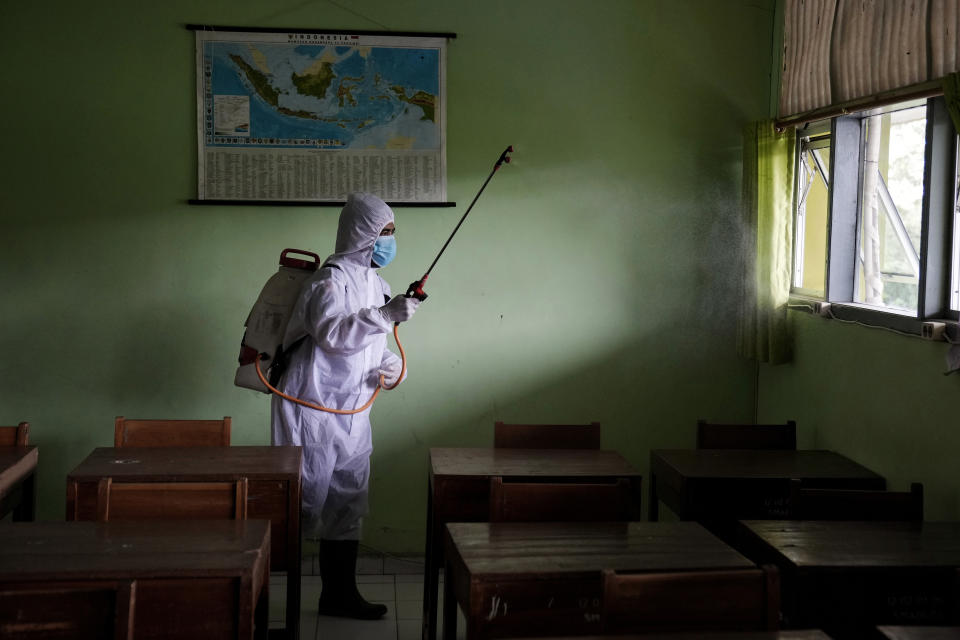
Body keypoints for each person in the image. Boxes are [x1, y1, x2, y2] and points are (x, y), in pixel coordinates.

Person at [271, 192, 421, 619]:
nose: (390, 242)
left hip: (355, 413)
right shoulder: (327, 282)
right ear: (361, 233)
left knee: (347, 506)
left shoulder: (377, 284)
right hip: (312, 412)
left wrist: (394, 368)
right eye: (384, 233)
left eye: (392, 233)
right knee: (300, 506)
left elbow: (374, 346)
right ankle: (257, 589)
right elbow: (334, 335)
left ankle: (338, 595)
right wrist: (387, 316)